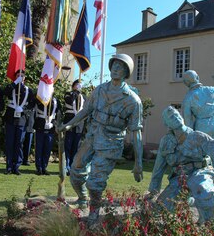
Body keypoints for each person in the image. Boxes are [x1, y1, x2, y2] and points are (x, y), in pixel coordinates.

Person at [58, 53, 143, 222]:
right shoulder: (100, 90)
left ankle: (93, 215)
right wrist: (69, 124)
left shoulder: (133, 101)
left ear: (127, 72)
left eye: (121, 67)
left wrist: (138, 162)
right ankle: (83, 199)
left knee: (95, 182)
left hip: (111, 143)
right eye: (114, 66)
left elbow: (136, 132)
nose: (116, 69)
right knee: (75, 171)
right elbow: (85, 110)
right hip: (92, 136)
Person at [148, 106, 214, 224]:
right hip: (180, 178)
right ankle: (190, 200)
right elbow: (158, 168)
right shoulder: (166, 142)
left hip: (200, 172)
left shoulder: (198, 136)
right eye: (171, 117)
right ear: (166, 123)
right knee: (161, 207)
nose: (176, 117)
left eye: (177, 115)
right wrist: (153, 190)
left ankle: (210, 226)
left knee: (202, 190)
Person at [182, 70, 214, 195]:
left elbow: (187, 122)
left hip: (202, 126)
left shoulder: (188, 98)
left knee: (202, 158)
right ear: (197, 77)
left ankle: (204, 188)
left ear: (186, 83)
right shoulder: (210, 90)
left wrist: (190, 138)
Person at [3, 70, 35, 175]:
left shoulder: (28, 90)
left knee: (19, 143)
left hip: (21, 119)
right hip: (11, 118)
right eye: (18, 75)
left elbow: (32, 104)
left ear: (24, 78)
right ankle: (8, 166)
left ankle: (16, 166)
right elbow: (5, 92)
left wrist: (24, 110)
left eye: (22, 76)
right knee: (10, 143)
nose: (20, 77)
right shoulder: (11, 87)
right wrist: (15, 82)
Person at [63, 79, 85, 175]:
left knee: (76, 147)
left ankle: (73, 167)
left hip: (79, 125)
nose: (78, 86)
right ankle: (66, 166)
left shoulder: (84, 97)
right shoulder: (68, 94)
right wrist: (75, 92)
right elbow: (70, 100)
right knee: (68, 146)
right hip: (70, 123)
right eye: (77, 84)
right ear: (73, 86)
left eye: (80, 85)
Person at [34, 97, 59, 175]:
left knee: (47, 149)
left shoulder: (56, 100)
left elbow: (58, 114)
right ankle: (39, 168)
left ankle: (44, 167)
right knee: (39, 148)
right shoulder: (40, 97)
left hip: (50, 127)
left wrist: (53, 123)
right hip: (40, 126)